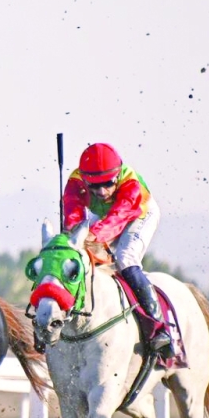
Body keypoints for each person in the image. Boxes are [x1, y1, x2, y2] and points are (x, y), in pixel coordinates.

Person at [62, 142, 172, 353]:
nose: (102, 191)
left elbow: (119, 217)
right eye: (94, 186)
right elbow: (73, 213)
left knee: (125, 257)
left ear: (117, 175)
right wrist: (74, 233)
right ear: (85, 179)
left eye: (108, 184)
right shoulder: (75, 182)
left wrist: (95, 234)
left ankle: (159, 327)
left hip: (138, 213)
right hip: (103, 216)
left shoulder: (129, 183)